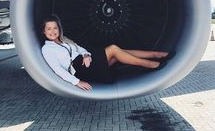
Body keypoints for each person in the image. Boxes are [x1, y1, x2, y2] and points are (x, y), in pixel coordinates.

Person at [41, 15, 169, 91]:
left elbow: (80, 49)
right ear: (44, 32)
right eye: (49, 29)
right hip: (79, 69)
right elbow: (57, 69)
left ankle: (155, 55)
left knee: (119, 53)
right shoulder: (47, 49)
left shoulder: (65, 40)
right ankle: (150, 64)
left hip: (85, 62)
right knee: (113, 49)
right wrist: (77, 82)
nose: (52, 31)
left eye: (55, 28)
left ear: (59, 29)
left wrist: (86, 55)